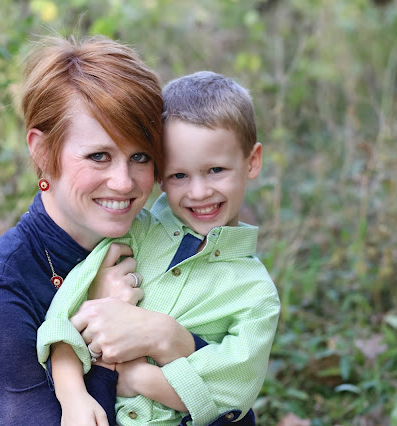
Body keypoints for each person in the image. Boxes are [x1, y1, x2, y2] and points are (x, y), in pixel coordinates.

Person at [0, 35, 215, 425]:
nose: (124, 182)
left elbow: (236, 410)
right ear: (42, 151)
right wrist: (103, 340)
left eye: (140, 156)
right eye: (98, 156)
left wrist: (171, 338)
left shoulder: (158, 253)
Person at [38, 71, 281, 426]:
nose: (199, 192)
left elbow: (232, 392)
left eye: (216, 170)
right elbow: (63, 317)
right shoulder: (134, 234)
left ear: (252, 161)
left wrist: (140, 379)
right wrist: (72, 396)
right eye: (179, 175)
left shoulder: (255, 293)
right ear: (160, 175)